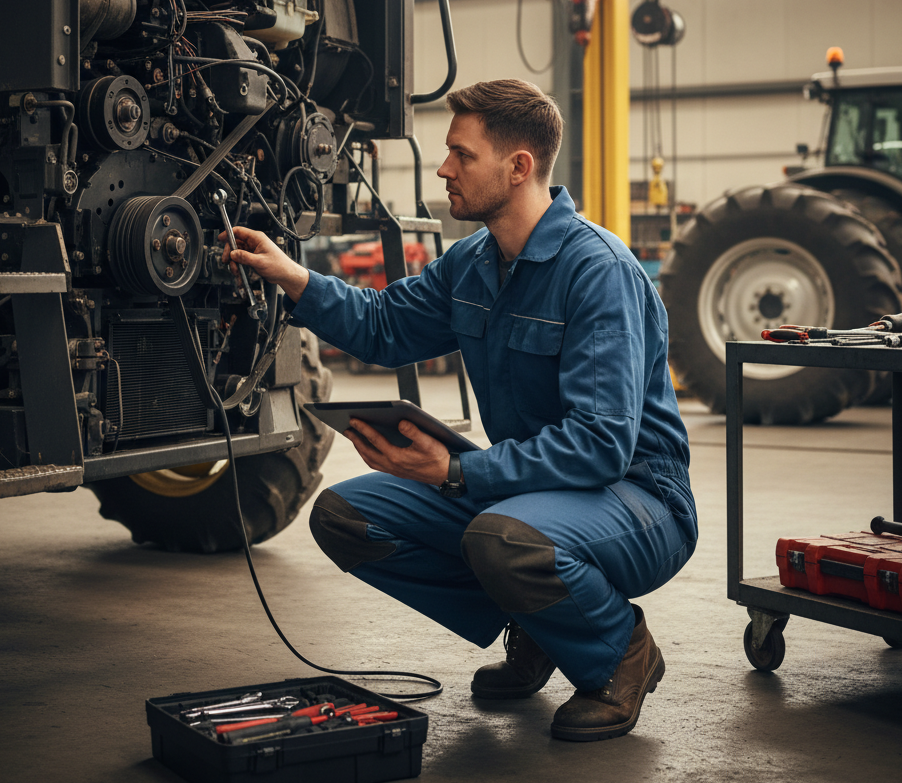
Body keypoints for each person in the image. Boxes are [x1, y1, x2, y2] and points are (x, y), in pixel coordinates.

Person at [222, 79, 697, 741]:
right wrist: (294, 277)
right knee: (347, 517)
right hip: (528, 492)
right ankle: (539, 623)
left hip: (637, 498)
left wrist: (455, 470)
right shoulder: (473, 262)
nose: (444, 168)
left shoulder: (598, 272)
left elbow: (599, 445)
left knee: (502, 538)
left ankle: (619, 652)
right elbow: (385, 325)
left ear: (518, 167)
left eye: (461, 155)